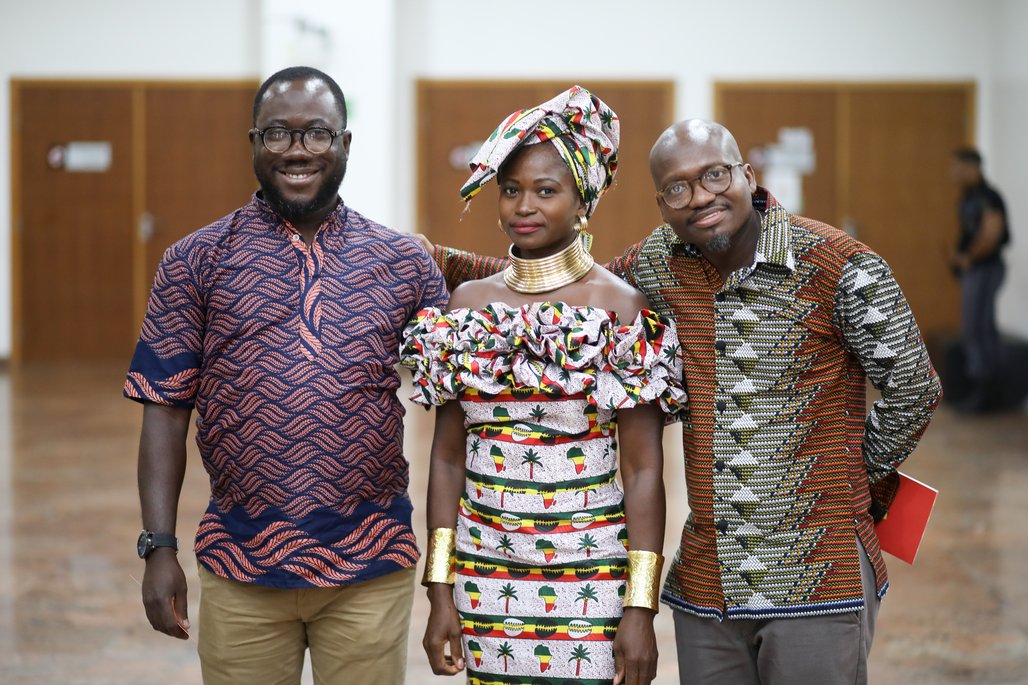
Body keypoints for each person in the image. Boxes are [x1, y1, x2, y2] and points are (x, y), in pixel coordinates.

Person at [421, 119, 942, 684]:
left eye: (714, 175)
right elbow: (560, 286)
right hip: (708, 582)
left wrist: (850, 482)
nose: (700, 198)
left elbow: (915, 387)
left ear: (747, 173)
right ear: (661, 204)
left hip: (816, 569)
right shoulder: (661, 262)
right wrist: (428, 257)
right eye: (677, 188)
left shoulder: (838, 264)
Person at [124, 66, 447, 685]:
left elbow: (458, 408)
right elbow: (164, 408)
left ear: (346, 144)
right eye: (278, 133)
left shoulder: (402, 262)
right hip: (239, 565)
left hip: (372, 565)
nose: (297, 151)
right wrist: (157, 545)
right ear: (253, 143)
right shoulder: (195, 260)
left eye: (317, 134)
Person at [401, 86, 686, 685]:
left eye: (545, 190)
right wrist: (439, 591)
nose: (522, 206)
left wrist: (640, 607)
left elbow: (642, 472)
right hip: (485, 576)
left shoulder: (621, 308)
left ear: (582, 200)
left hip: (591, 583)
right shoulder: (468, 307)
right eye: (510, 189)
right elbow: (448, 460)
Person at [949, 147, 1010, 413]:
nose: (951, 173)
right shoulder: (969, 197)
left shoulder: (988, 196)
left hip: (985, 269)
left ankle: (986, 393)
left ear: (971, 167)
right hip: (976, 269)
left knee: (976, 328)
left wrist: (969, 258)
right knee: (980, 327)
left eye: (956, 167)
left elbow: (992, 232)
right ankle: (987, 391)